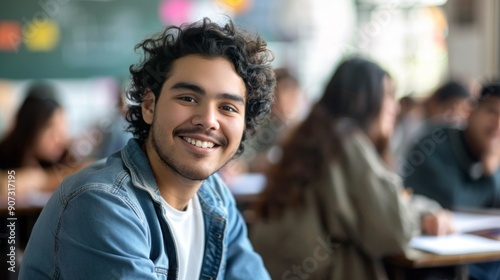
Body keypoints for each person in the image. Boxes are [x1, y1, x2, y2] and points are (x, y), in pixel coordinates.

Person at [19, 18, 275, 280]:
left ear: (245, 124)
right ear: (149, 106)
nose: (208, 120)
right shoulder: (101, 203)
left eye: (228, 108)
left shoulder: (215, 198)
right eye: (188, 98)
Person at [249, 57, 454, 280]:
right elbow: (393, 230)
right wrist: (424, 214)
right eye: (388, 96)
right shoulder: (347, 141)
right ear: (366, 100)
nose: (395, 107)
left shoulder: (309, 134)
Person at [403, 82, 500, 280]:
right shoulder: (434, 143)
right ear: (470, 110)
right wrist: (490, 175)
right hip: (432, 260)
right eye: (492, 112)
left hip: (481, 260)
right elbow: (454, 202)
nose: (497, 125)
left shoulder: (494, 152)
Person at [0, 81, 76, 197]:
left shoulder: (65, 157)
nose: (59, 138)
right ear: (30, 127)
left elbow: (85, 171)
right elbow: (4, 186)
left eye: (62, 129)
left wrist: (40, 179)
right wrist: (38, 179)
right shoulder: (5, 154)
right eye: (50, 129)